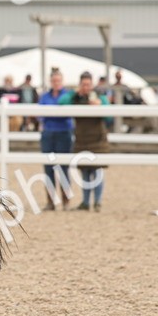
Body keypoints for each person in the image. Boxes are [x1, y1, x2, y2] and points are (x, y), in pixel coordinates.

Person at [67, 72, 110, 212]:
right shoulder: (75, 98)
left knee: (97, 171)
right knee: (84, 172)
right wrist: (75, 93)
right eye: (83, 84)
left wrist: (100, 104)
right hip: (82, 140)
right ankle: (85, 202)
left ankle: (97, 202)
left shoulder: (100, 97)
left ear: (92, 85)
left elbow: (110, 117)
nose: (86, 87)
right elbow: (62, 102)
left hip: (97, 140)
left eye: (88, 84)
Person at [38, 68, 74, 210]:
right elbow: (39, 114)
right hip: (48, 133)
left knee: (63, 167)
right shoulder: (44, 96)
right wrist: (55, 114)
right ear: (50, 82)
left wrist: (51, 114)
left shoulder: (68, 95)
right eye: (54, 80)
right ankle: (51, 201)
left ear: (62, 81)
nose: (56, 83)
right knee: (48, 168)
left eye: (58, 80)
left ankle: (66, 200)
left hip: (63, 132)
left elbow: (68, 113)